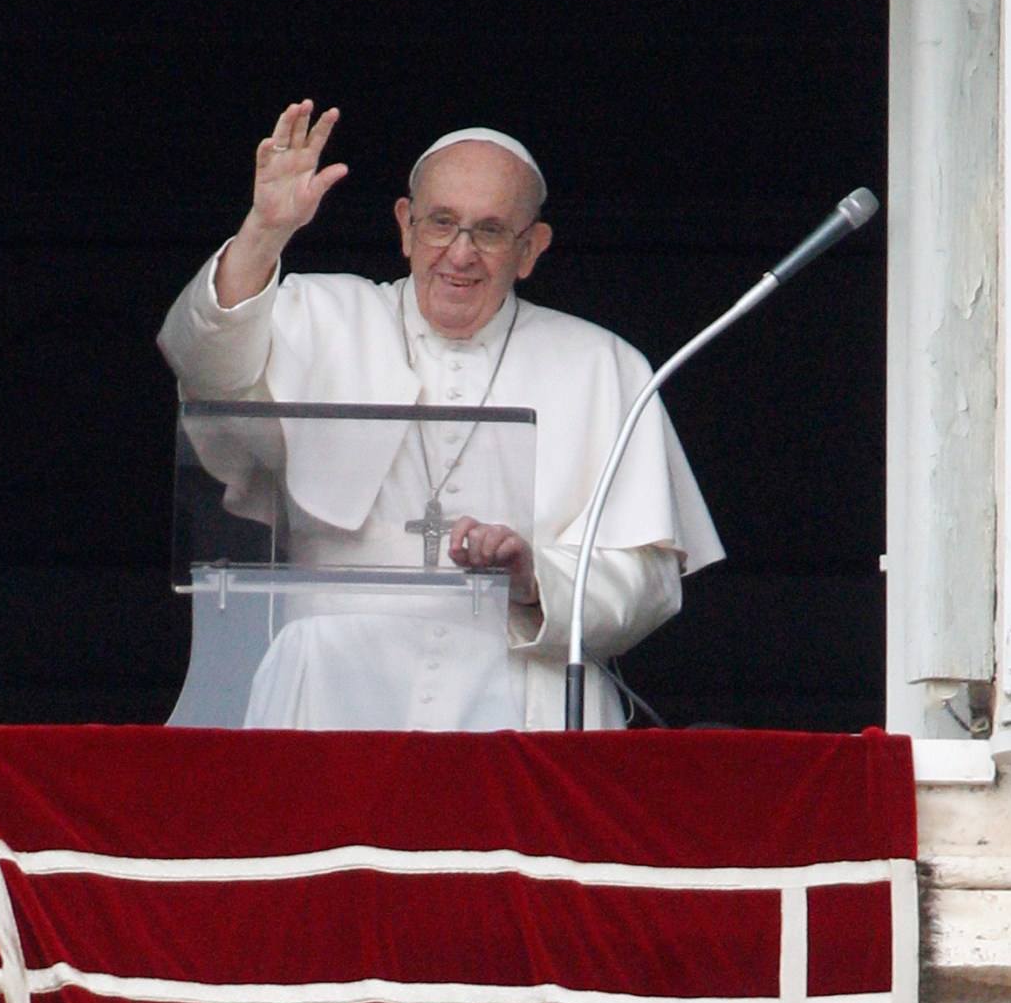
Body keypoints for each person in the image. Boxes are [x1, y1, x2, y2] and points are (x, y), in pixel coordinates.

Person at [158, 101, 723, 730]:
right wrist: (264, 231)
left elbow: (647, 582)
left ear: (531, 248)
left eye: (488, 231)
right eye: (441, 223)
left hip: (522, 700)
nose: (459, 254)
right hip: (330, 695)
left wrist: (535, 579)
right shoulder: (318, 316)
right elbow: (205, 367)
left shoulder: (602, 364)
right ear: (405, 226)